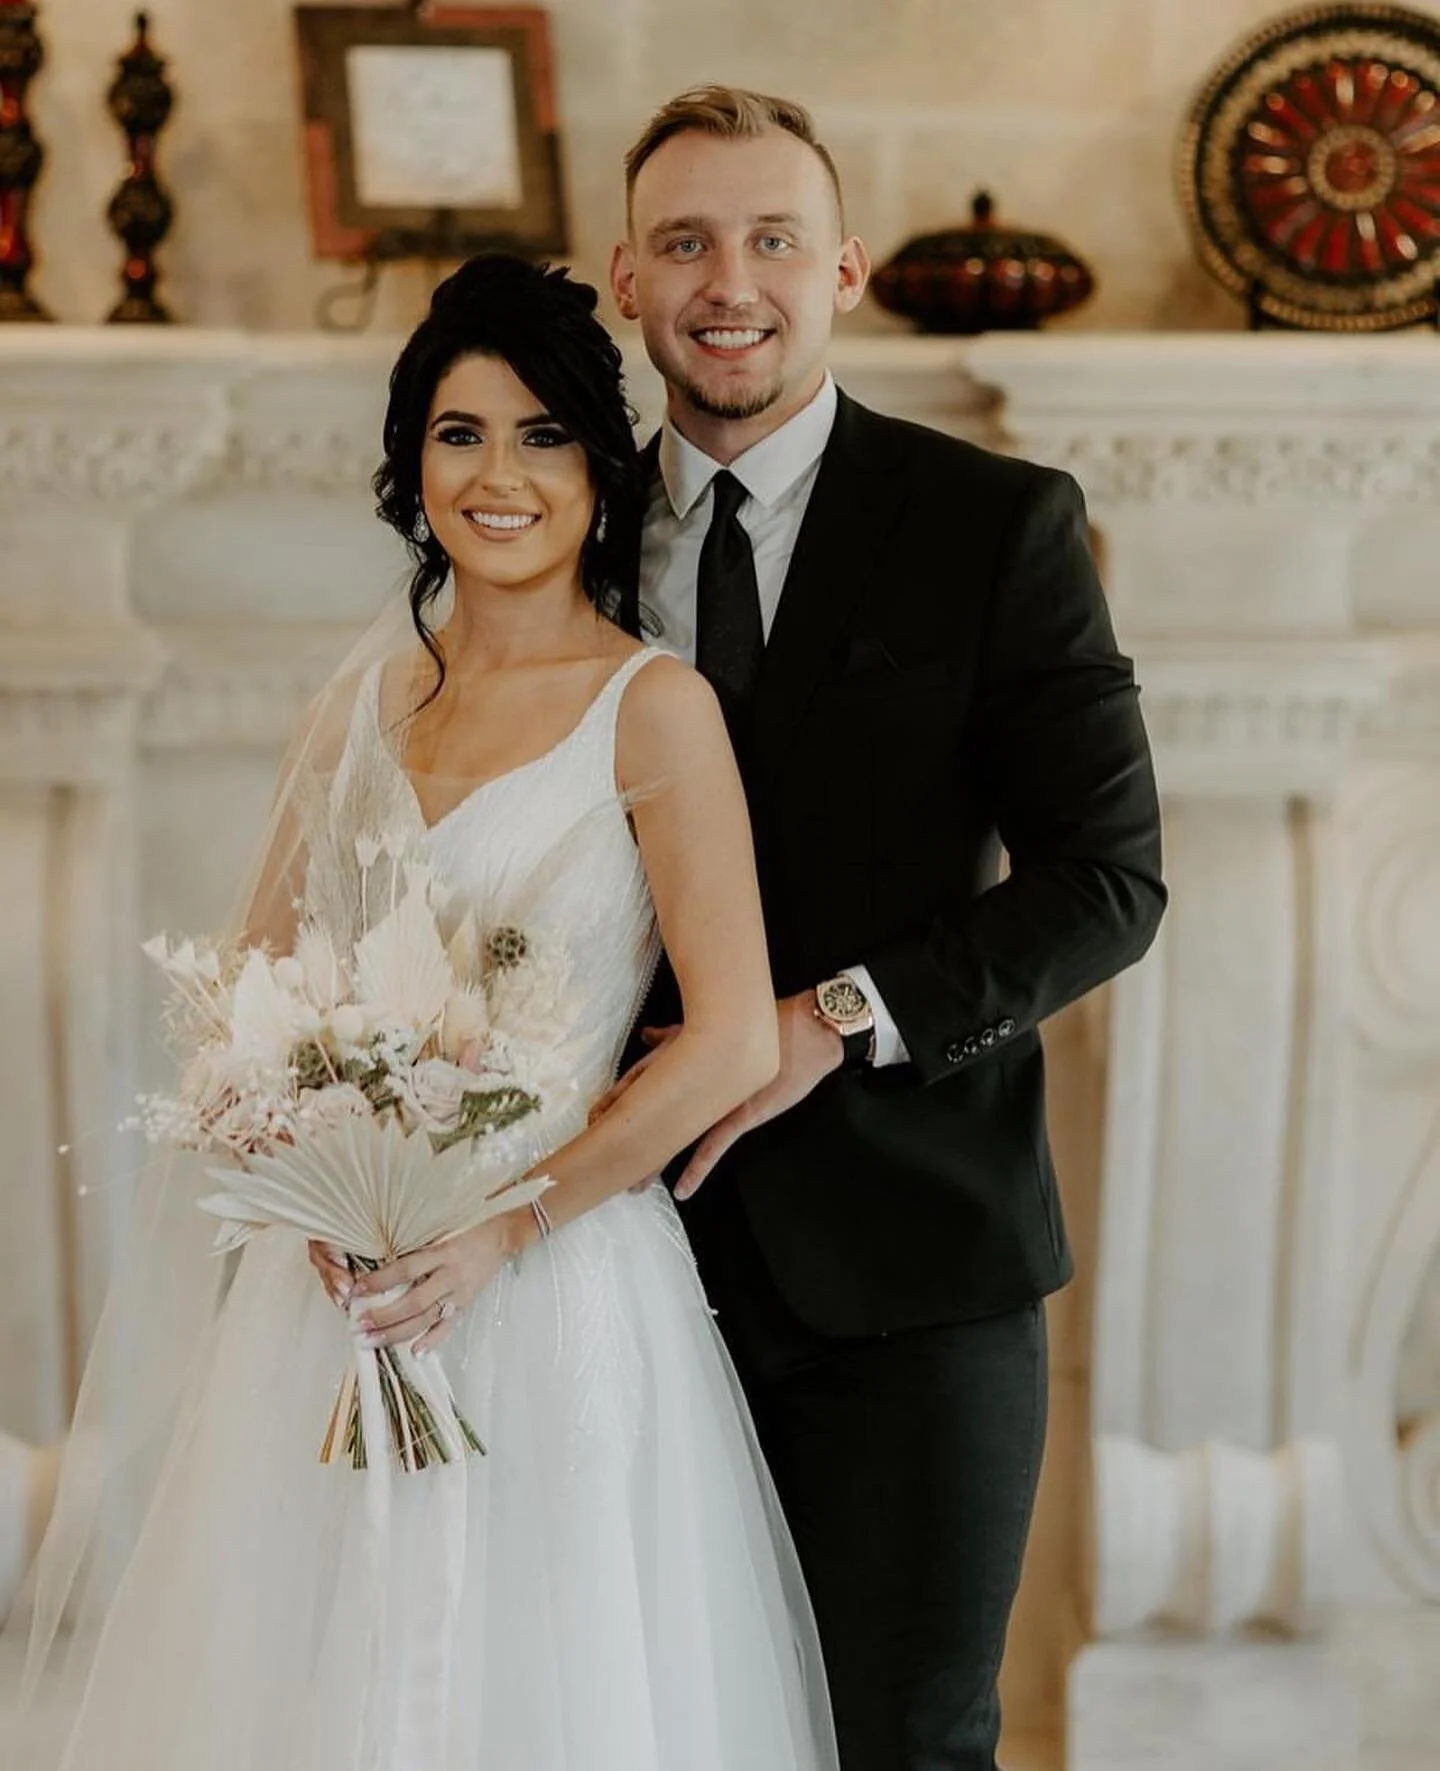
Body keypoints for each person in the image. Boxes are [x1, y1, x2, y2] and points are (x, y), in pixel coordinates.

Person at [12, 255, 838, 1771]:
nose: (498, 476)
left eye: (542, 436)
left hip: (556, 1281)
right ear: (413, 465)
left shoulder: (655, 709)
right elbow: (250, 993)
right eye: (461, 434)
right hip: (335, 1300)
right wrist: (311, 1178)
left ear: (599, 470)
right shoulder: (358, 709)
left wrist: (505, 1225)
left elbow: (727, 1037)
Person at [602, 86, 1167, 1771]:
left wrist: (826, 1019)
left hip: (918, 1271)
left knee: (906, 1743)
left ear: (842, 269)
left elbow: (1108, 877)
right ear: (625, 279)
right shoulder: (547, 535)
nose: (731, 283)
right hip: (610, 1269)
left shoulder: (998, 525)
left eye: (773, 239)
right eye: (687, 242)